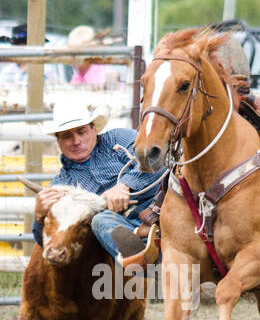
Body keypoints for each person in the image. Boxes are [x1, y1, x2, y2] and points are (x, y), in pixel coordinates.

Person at [31, 99, 165, 266]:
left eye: (81, 132)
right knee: (100, 221)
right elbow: (43, 242)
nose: (76, 141)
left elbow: (157, 158)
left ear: (94, 129)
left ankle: (148, 255)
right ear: (58, 141)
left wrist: (124, 186)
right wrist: (38, 217)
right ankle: (147, 261)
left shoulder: (119, 140)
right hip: (121, 226)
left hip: (162, 207)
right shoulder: (62, 185)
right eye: (67, 136)